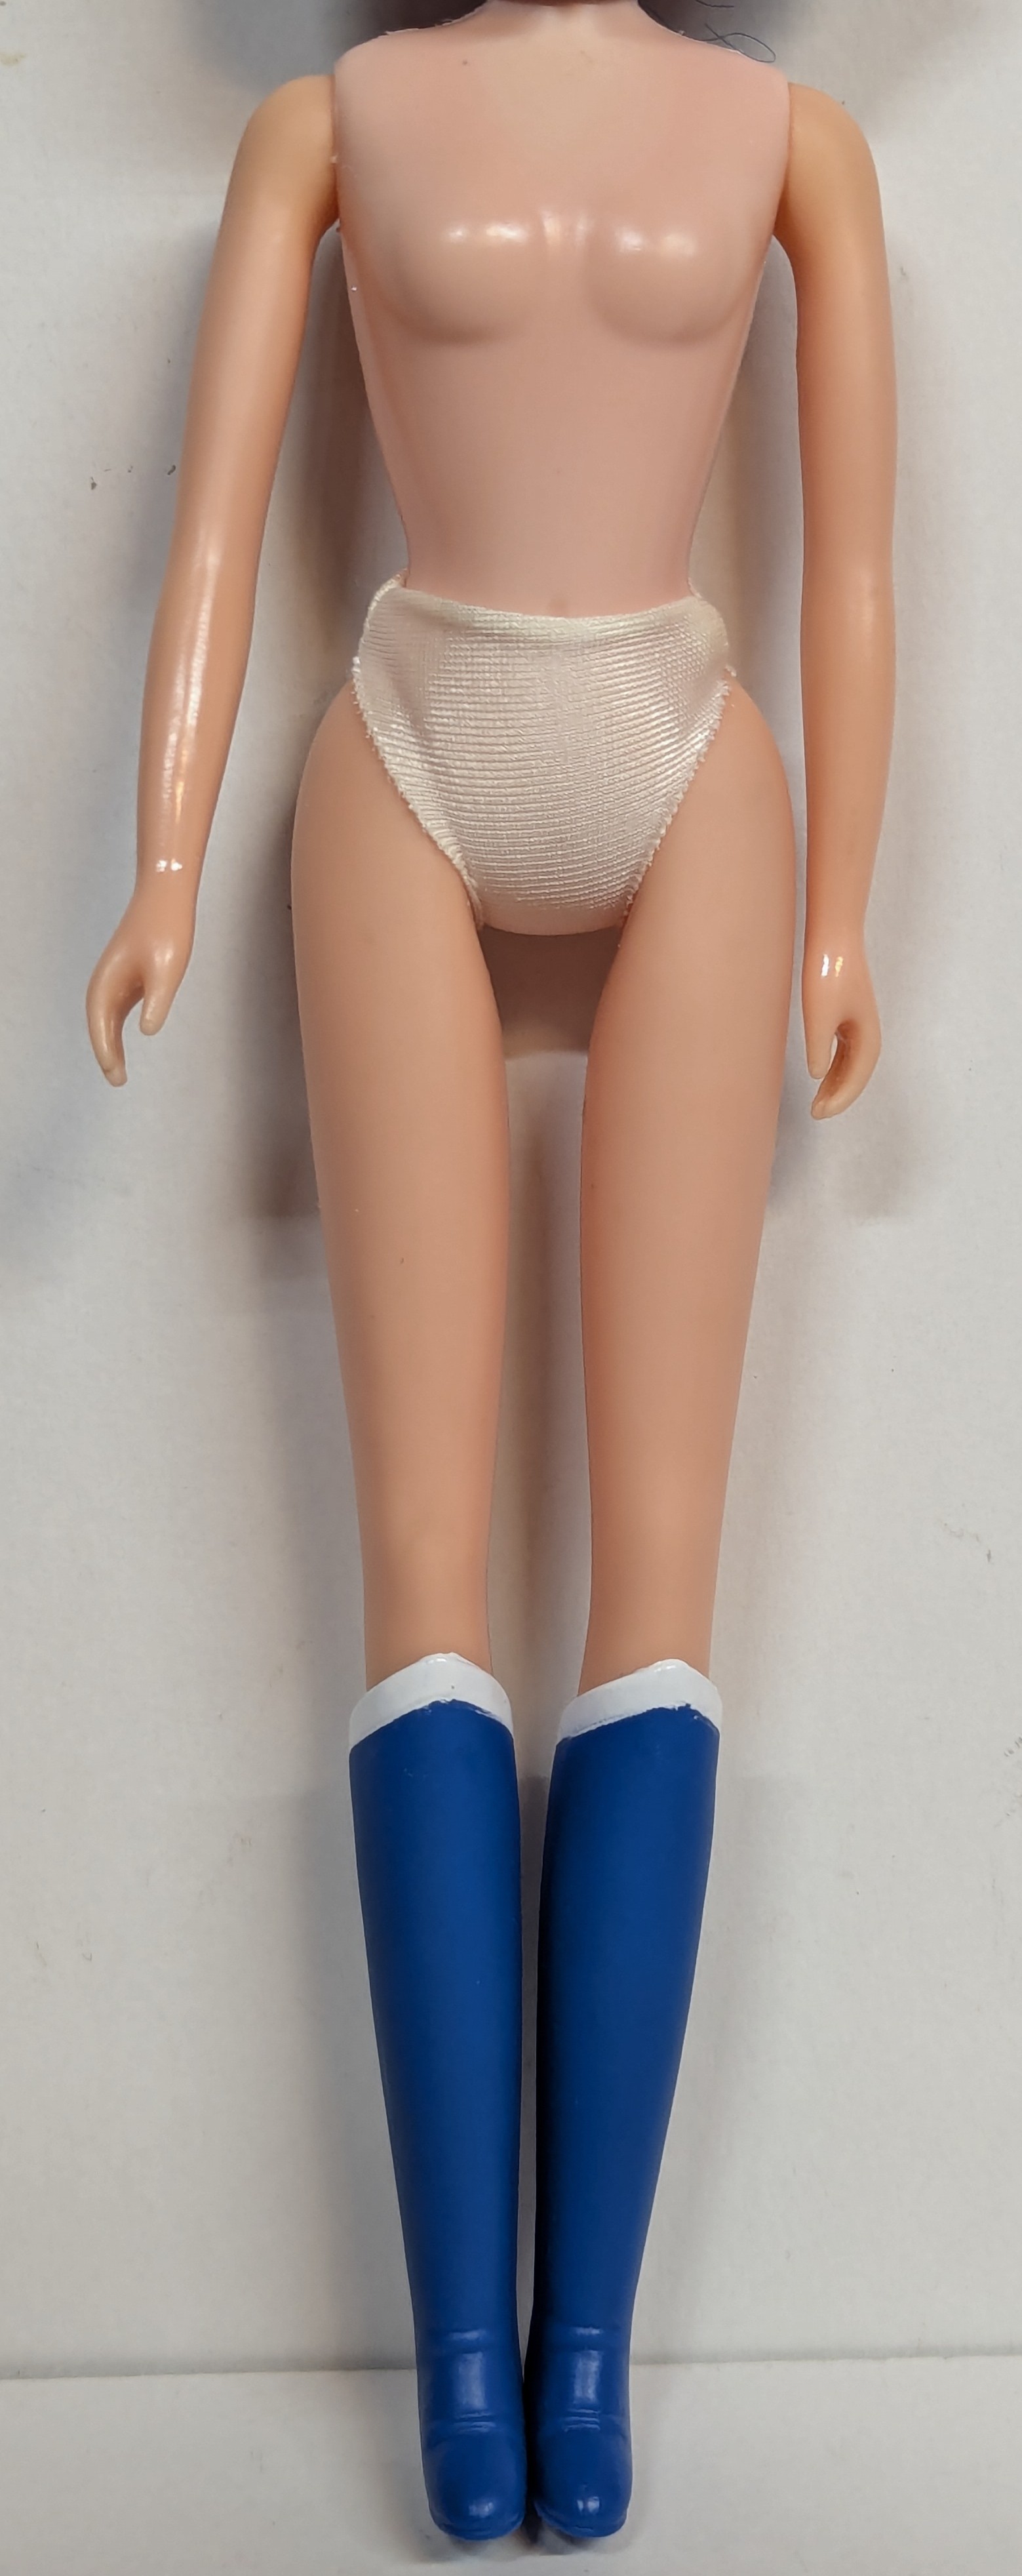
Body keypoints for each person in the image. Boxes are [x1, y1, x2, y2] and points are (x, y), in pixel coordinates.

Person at [86, 2, 895, 2542]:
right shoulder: (323, 126)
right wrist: (162, 863)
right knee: (424, 1578)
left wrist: (844, 914)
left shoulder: (794, 144)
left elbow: (855, 562)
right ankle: (466, 2359)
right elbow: (214, 537)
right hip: (411, 758)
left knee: (655, 1586)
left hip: (688, 765)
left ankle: (589, 2353)